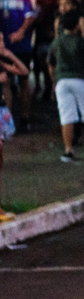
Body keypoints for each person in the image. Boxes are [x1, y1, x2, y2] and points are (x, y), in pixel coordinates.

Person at [48, 11, 84, 162]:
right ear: (77, 25)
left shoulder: (57, 42)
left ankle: (68, 150)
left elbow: (51, 63)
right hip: (81, 79)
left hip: (62, 81)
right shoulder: (81, 41)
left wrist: (54, 80)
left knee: (66, 116)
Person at [0, 0, 35, 131]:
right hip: (2, 46)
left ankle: (25, 117)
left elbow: (30, 16)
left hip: (21, 46)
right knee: (5, 79)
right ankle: (8, 118)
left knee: (23, 79)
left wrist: (21, 31)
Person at [0, 34, 29, 220]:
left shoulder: (2, 63)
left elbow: (24, 71)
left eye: (2, 40)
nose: (2, 43)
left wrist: (10, 55)